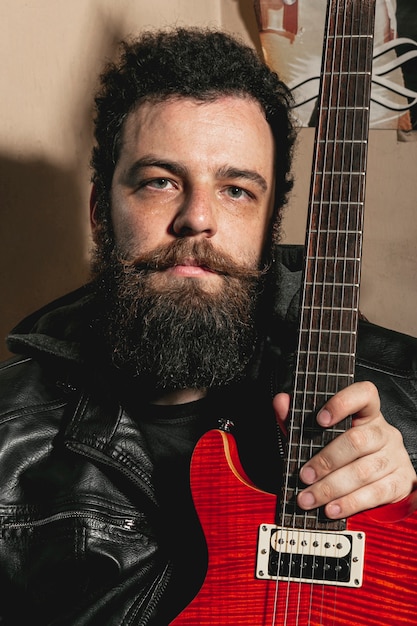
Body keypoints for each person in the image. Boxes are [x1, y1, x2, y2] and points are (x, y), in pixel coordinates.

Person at [0, 27, 416, 626]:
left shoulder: (402, 392)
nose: (197, 218)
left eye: (237, 190)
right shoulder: (11, 439)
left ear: (271, 223)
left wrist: (407, 512)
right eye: (160, 181)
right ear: (99, 212)